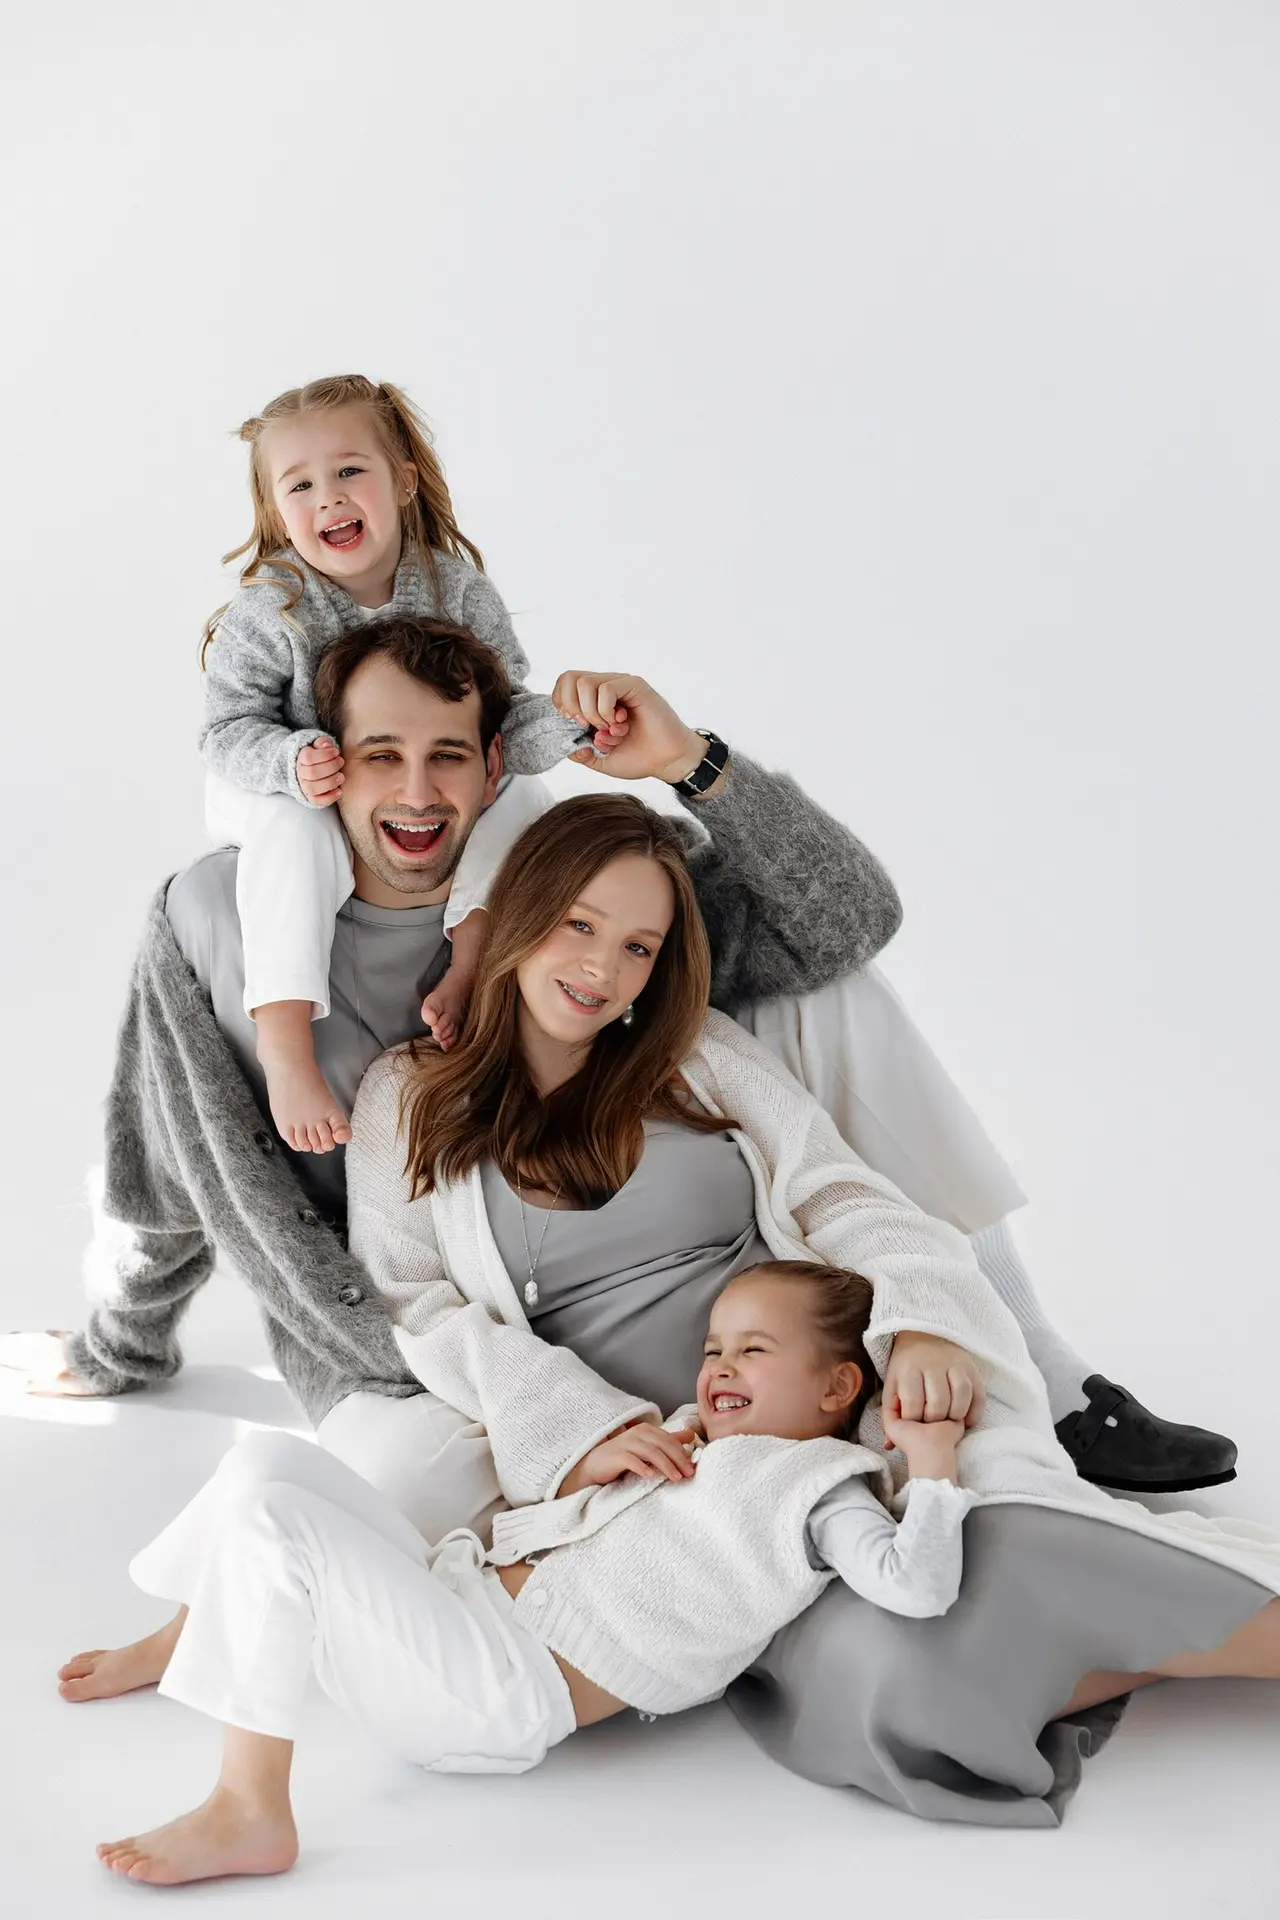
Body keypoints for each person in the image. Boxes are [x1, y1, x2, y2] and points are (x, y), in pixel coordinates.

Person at [71, 797, 1280, 1844]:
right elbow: (416, 1303)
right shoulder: (411, 1095)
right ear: (517, 918)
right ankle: (205, 1621)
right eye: (578, 925)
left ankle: (1216, 1624)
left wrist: (918, 1322)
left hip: (826, 1400)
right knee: (902, 1677)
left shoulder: (692, 1056)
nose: (601, 968)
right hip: (682, 1483)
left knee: (999, 1547)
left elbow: (840, 1194)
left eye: (637, 946)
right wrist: (577, 1424)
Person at [0, 638, 1236, 1496]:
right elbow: (172, 1142)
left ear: (496, 766)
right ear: (320, 762)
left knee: (833, 988)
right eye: (378, 754)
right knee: (405, 1507)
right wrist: (124, 1337)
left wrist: (690, 761)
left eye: (449, 755)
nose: (417, 791)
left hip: (641, 1208)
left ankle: (1034, 1365)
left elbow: (844, 917)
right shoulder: (225, 913)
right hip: (429, 1301)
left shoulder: (557, 884)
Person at [86, 1261, 977, 1886]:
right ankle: (192, 1629)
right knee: (267, 1463)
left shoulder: (817, 1489)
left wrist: (933, 1458)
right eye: (713, 1349)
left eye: (754, 1350)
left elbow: (918, 1583)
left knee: (279, 1522)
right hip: (459, 1605)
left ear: (836, 1389)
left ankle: (249, 1807)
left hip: (493, 1692)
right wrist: (591, 1475)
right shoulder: (689, 1436)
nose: (720, 1367)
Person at [200, 371, 585, 1151]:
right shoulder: (271, 608)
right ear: (277, 510)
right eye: (300, 485)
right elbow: (225, 730)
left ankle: (471, 961)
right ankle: (285, 1043)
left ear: (403, 482)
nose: (329, 498)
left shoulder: (455, 590)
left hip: (401, 787)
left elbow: (505, 716)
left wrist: (577, 729)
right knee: (297, 829)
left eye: (349, 470)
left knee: (523, 795)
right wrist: (288, 760)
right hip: (280, 783)